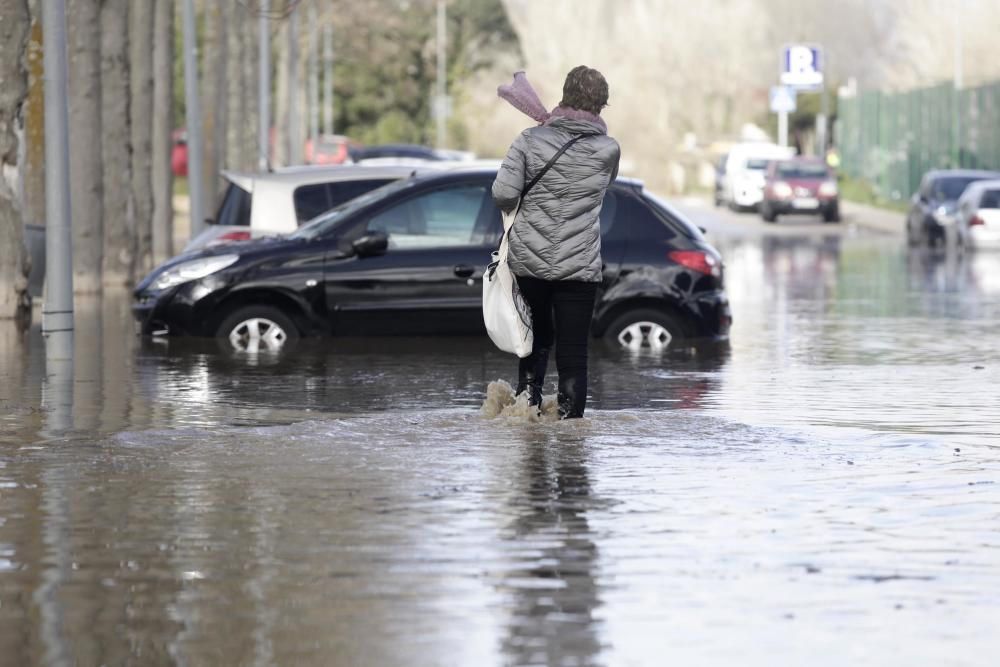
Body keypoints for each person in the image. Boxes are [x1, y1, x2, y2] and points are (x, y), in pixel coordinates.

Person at [491, 66, 621, 419]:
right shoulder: (609, 149)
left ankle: (526, 426)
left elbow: (503, 193)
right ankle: (571, 444)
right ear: (600, 106)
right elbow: (602, 188)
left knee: (533, 344)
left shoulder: (529, 139)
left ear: (563, 96)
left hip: (529, 262)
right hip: (579, 267)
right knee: (574, 356)